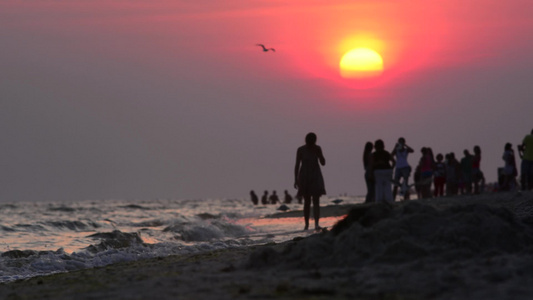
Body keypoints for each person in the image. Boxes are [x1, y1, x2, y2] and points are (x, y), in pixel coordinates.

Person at [294, 132, 326, 230]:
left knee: (316, 200)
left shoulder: (317, 148)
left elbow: (323, 163)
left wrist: (319, 155)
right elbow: (297, 165)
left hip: (315, 176)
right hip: (304, 176)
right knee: (307, 201)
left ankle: (316, 223)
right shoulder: (301, 150)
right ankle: (306, 225)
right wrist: (296, 179)